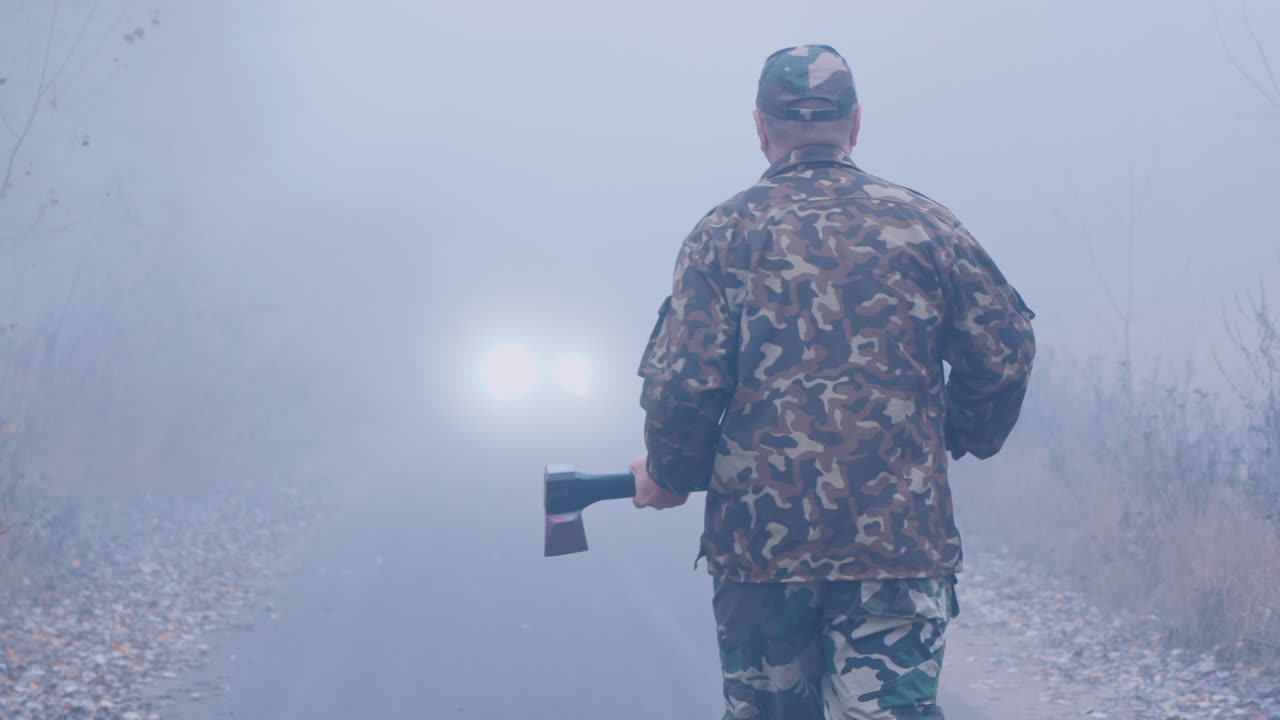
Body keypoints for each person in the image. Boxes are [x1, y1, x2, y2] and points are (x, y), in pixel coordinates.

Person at [629, 45, 1036, 719]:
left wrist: (671, 472)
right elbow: (1004, 352)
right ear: (854, 124)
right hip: (897, 547)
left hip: (763, 552)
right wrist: (957, 436)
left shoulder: (723, 235)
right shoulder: (926, 225)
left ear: (761, 128)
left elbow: (686, 384)